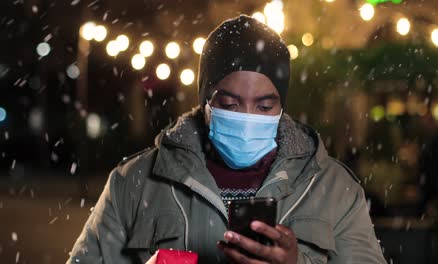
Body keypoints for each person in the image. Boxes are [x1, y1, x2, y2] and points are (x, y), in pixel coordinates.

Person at [68, 15, 386, 264]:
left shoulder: (333, 189)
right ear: (206, 101)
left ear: (281, 105)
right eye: (230, 104)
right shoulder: (134, 183)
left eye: (264, 105)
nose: (248, 118)